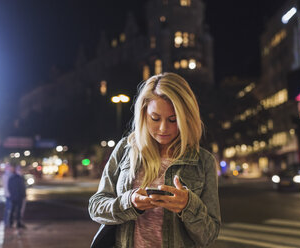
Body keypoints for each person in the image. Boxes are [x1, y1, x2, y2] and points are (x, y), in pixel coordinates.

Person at [89, 72, 221, 247]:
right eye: (155, 118)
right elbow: (96, 207)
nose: (163, 128)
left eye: (173, 120)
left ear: (186, 118)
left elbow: (209, 235)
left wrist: (188, 206)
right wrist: (129, 203)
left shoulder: (203, 162)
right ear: (143, 113)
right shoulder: (126, 149)